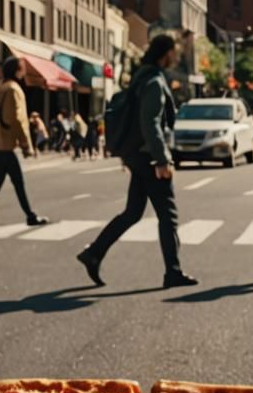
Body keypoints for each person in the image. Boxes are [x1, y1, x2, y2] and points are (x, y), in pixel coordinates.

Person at [77, 35, 196, 288]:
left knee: (132, 212)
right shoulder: (153, 81)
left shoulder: (142, 78)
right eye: (174, 52)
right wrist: (162, 159)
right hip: (149, 157)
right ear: (165, 54)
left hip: (138, 155)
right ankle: (172, 272)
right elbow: (150, 123)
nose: (176, 57)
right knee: (168, 216)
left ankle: (94, 253)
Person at [0, 57, 49, 230]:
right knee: (17, 181)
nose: (24, 71)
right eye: (22, 68)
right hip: (5, 143)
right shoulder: (14, 90)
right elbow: (16, 119)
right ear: (17, 70)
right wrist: (26, 145)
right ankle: (30, 216)